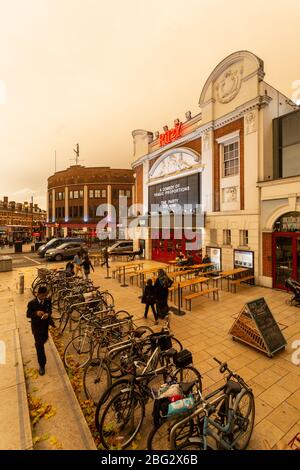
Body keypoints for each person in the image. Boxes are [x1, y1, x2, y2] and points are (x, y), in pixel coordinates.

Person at [26, 286, 55, 376]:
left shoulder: (47, 300)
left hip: (45, 326)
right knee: (39, 346)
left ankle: (41, 343)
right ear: (38, 294)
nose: (44, 297)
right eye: (42, 295)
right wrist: (36, 313)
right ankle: (42, 365)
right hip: (36, 327)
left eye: (45, 295)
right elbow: (28, 314)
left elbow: (50, 310)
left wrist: (47, 314)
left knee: (44, 339)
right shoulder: (32, 303)